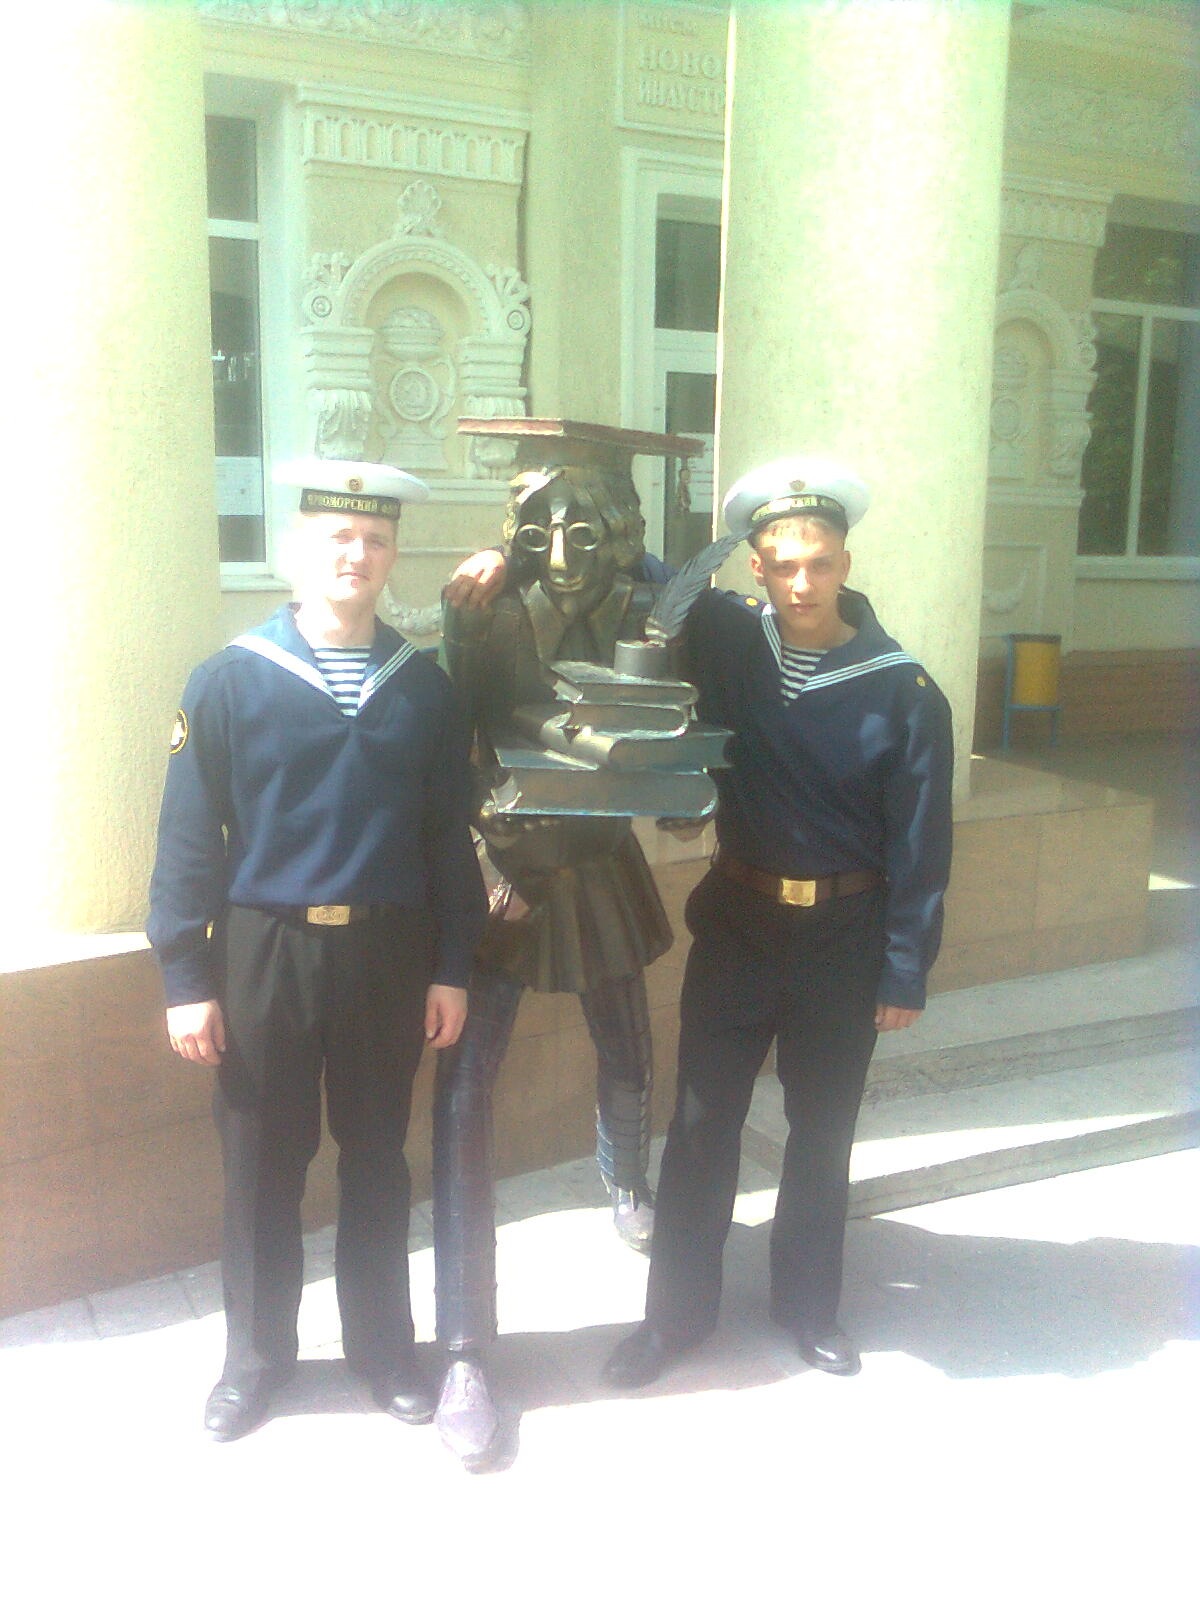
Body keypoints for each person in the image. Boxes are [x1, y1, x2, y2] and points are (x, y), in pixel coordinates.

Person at [147, 459, 486, 1443]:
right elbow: (187, 839)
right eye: (338, 536)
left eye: (375, 539)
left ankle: (384, 1352)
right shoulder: (229, 679)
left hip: (388, 954)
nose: (357, 554)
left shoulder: (425, 689)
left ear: (392, 556)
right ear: (297, 551)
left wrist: (452, 965)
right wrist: (184, 976)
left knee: (378, 1160)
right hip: (265, 952)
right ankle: (254, 1362)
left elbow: (447, 840)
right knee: (262, 1165)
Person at [601, 455, 954, 1388]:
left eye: (820, 563)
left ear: (845, 564)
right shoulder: (729, 637)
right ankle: (675, 1319)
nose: (803, 583)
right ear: (755, 566)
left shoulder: (904, 690)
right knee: (700, 1126)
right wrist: (493, 562)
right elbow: (633, 568)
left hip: (846, 938)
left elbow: (923, 847)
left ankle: (808, 1308)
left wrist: (905, 969)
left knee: (822, 1134)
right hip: (740, 927)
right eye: (784, 565)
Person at [432, 419, 697, 1470]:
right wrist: (477, 860)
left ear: (620, 532)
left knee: (627, 1038)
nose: (564, 551)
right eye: (544, 529)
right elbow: (447, 744)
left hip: (596, 861)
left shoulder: (645, 606)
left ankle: (625, 1178)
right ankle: (465, 1341)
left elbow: (674, 712)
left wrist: (680, 788)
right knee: (466, 1090)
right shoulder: (489, 611)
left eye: (587, 530)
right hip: (506, 870)